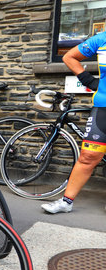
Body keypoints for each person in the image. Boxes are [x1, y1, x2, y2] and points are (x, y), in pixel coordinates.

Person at [41, 31, 106, 214]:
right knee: (87, 157)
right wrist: (88, 80)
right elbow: (69, 57)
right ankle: (66, 202)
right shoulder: (102, 39)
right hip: (103, 106)